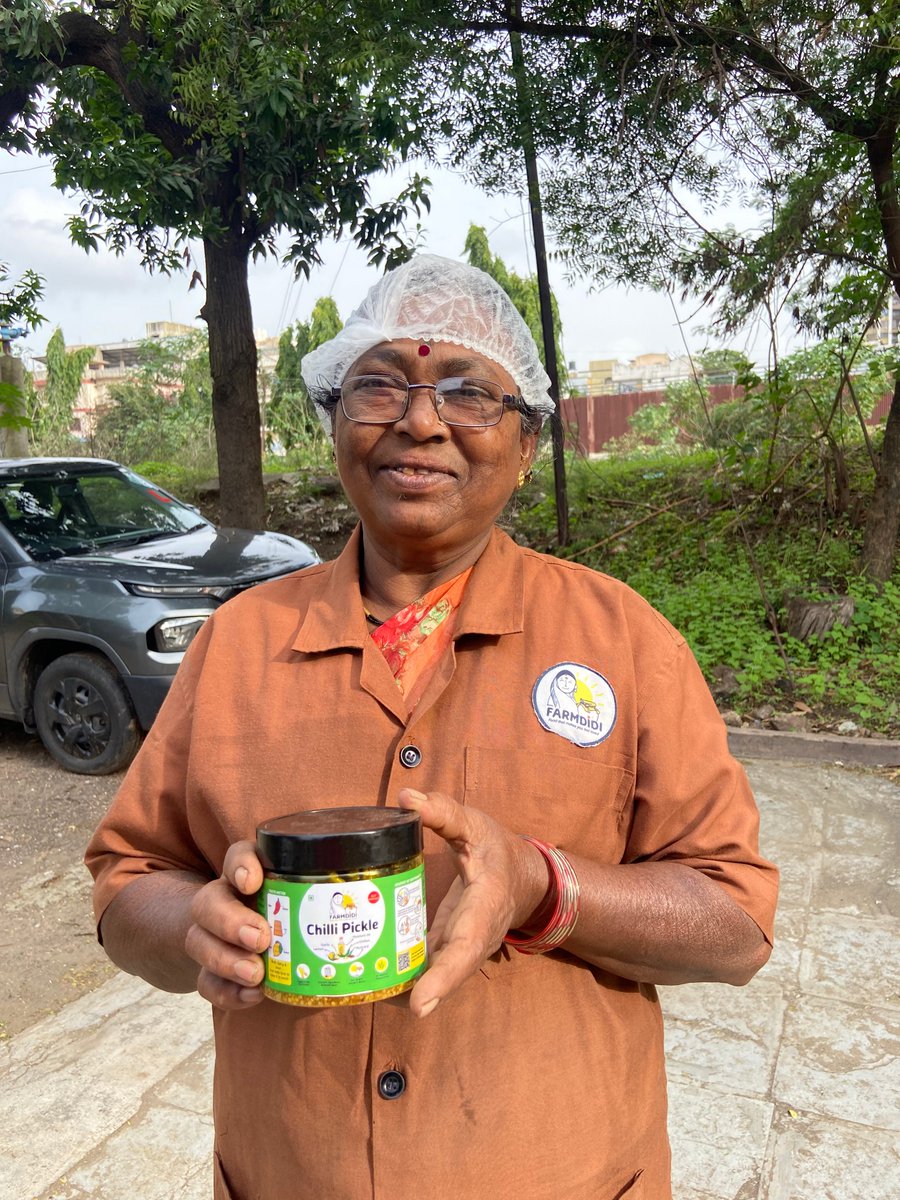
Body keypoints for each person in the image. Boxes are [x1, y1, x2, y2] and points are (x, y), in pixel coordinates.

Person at [86, 253, 778, 1200]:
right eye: (380, 385)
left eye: (468, 392)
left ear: (528, 445)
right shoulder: (238, 645)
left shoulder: (626, 643)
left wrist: (545, 886)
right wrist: (189, 926)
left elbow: (734, 923)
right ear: (334, 423)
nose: (419, 419)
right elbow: (128, 885)